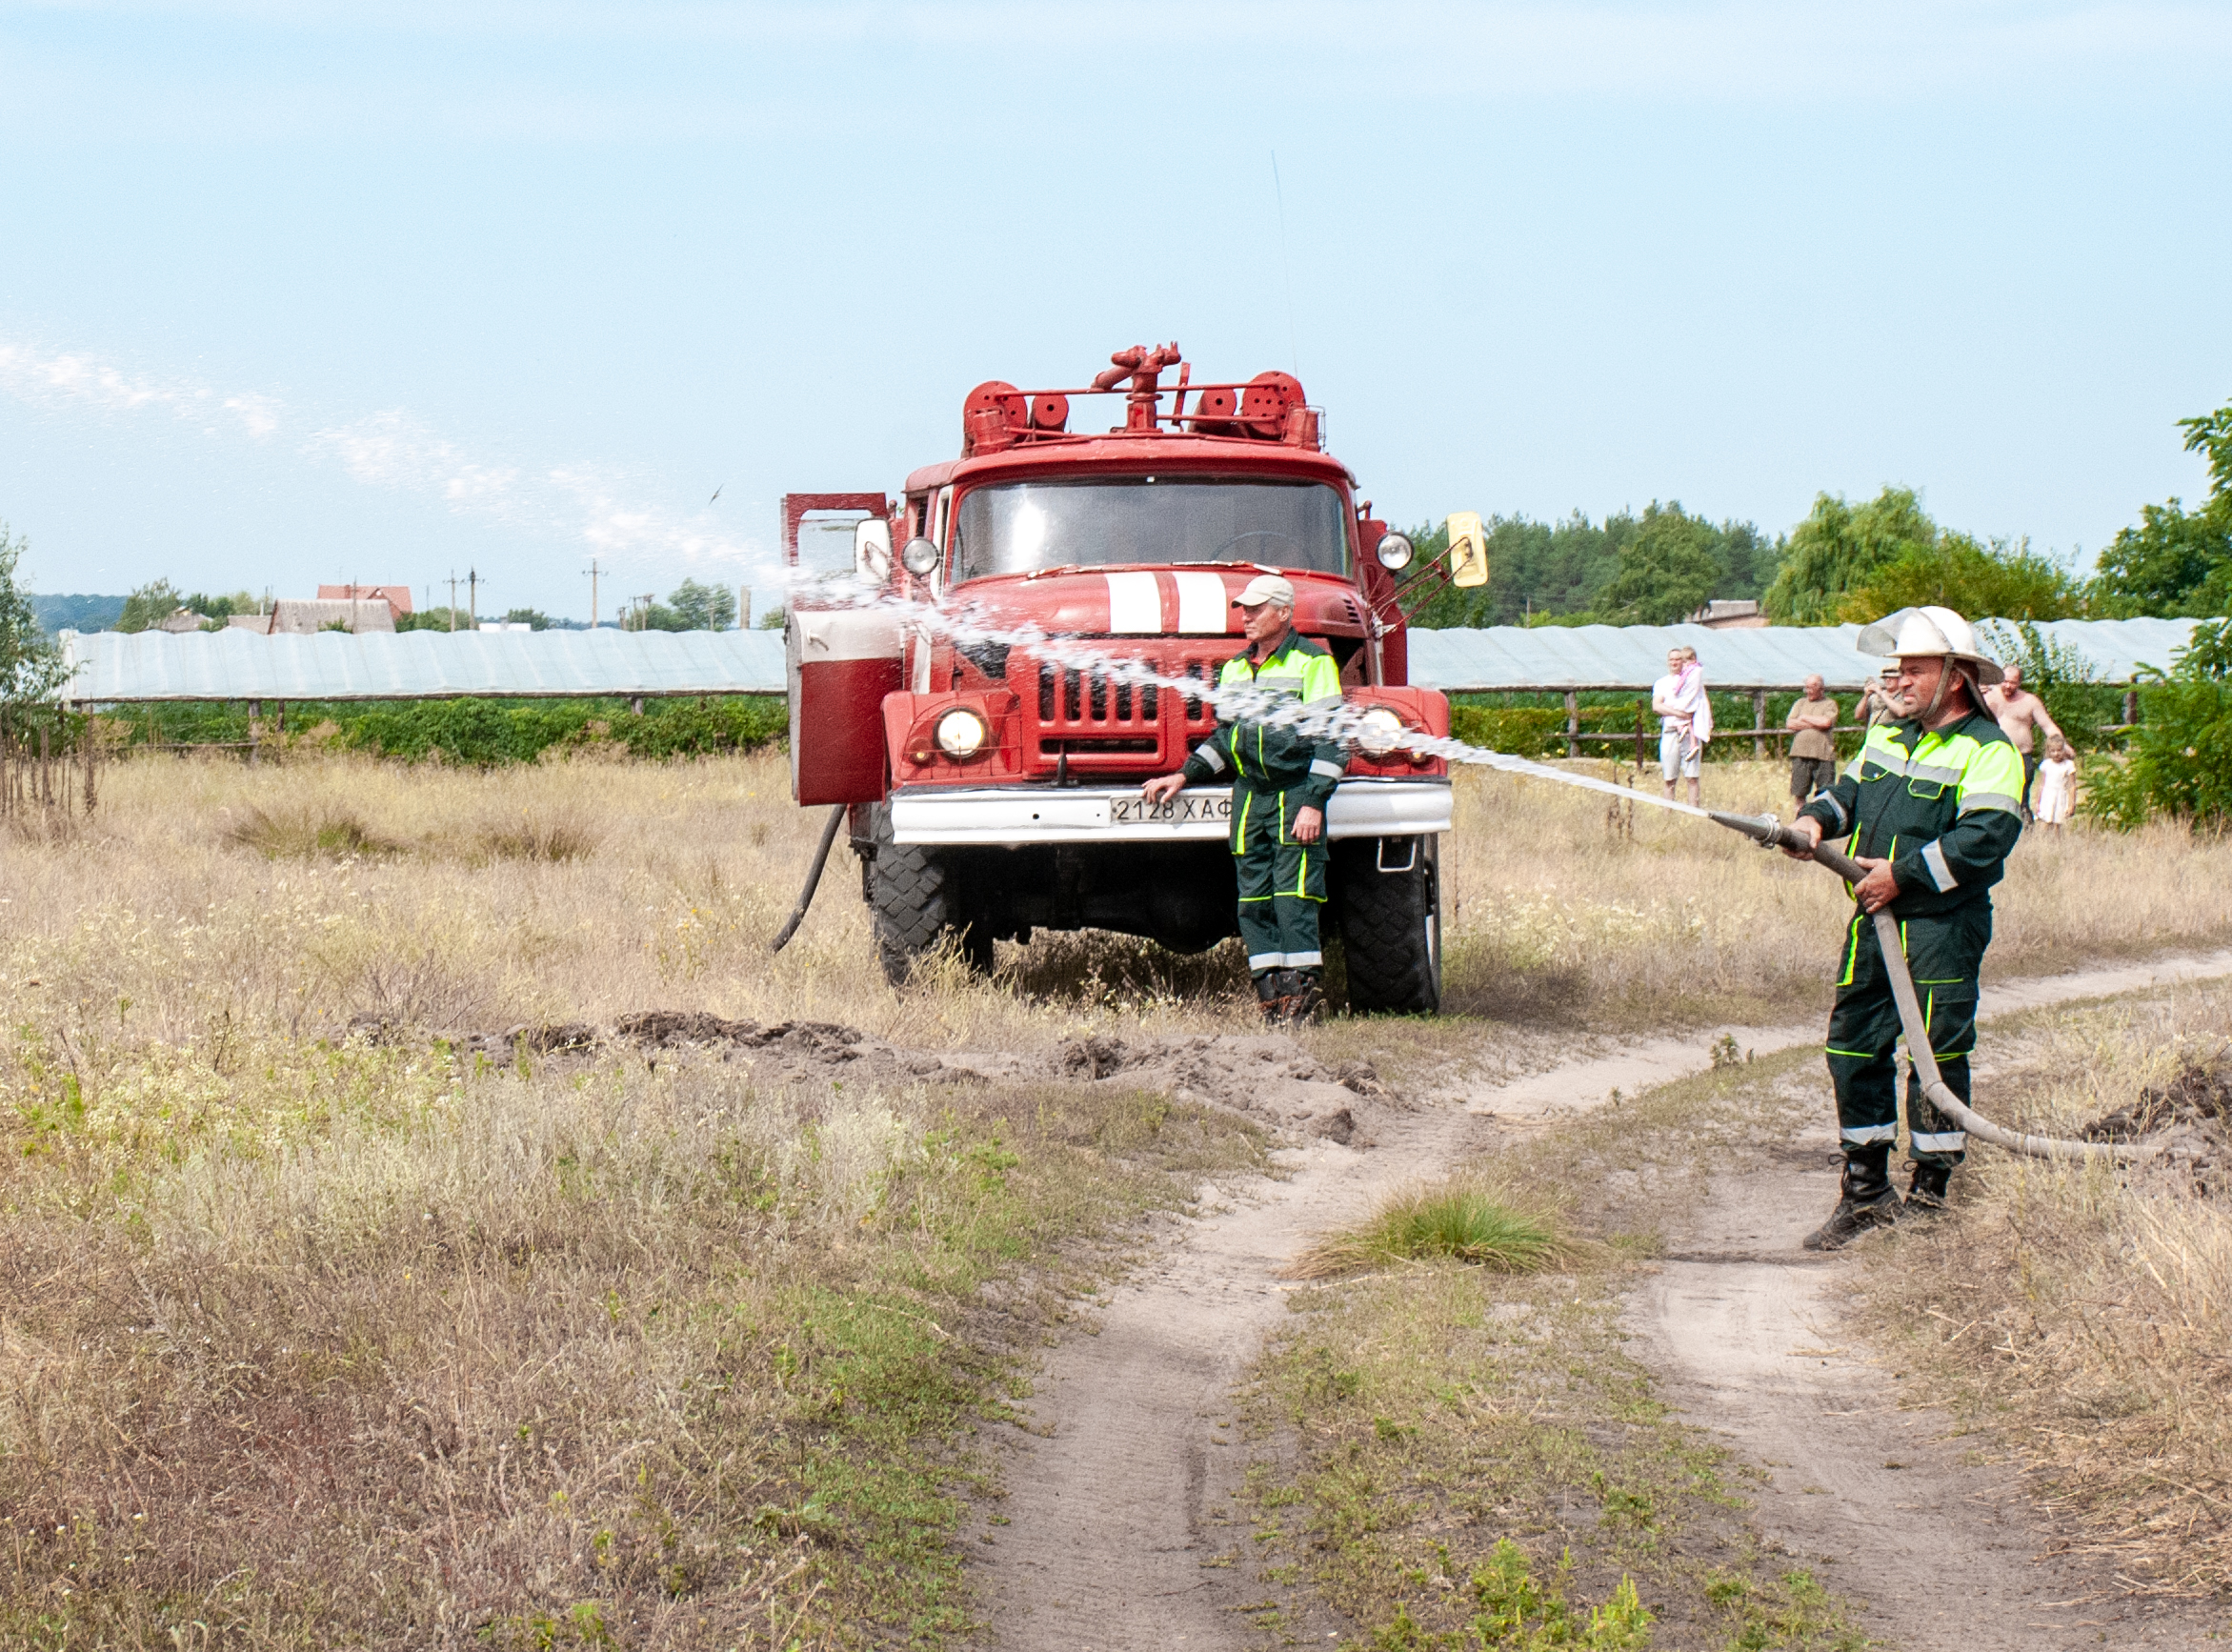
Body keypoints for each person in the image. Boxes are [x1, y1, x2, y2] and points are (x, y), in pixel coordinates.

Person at [1779, 605, 2027, 1251]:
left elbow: (1983, 840)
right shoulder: (1887, 733)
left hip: (1941, 925)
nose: (1897, 681)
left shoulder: (1989, 750)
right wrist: (1811, 823)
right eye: (1894, 670)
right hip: (1873, 919)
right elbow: (1849, 795)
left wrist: (1903, 875)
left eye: (1911, 669)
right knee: (1852, 1045)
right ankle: (1864, 1194)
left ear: (1952, 676)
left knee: (1934, 1051)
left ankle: (1929, 1197)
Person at [1142, 574, 1344, 1023]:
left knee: (1293, 896)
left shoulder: (1313, 664)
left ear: (1284, 613)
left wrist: (1313, 801)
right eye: (1244, 609)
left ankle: (1303, 997)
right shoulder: (1235, 668)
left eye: (1256, 609)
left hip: (1294, 794)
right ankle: (1271, 999)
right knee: (1252, 901)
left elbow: (1333, 741)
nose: (1246, 616)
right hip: (1250, 797)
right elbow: (1227, 737)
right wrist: (1184, 775)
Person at [1983, 664, 2064, 819]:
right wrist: (1974, 689)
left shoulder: (2030, 701)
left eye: (2012, 682)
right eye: (2004, 681)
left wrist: (2063, 745)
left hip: (2021, 756)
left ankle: (2027, 835)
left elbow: (2047, 725)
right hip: (1993, 756)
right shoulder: (1987, 696)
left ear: (2019, 683)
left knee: (2021, 798)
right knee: (1992, 796)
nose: (2007, 685)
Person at [1651, 646, 1712, 807]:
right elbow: (1657, 706)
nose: (1675, 662)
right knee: (1669, 778)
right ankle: (1668, 814)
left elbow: (1699, 703)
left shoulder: (1691, 680)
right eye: (1672, 659)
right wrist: (1680, 714)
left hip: (1689, 732)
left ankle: (1694, 813)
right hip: (1671, 732)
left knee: (1692, 777)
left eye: (1678, 659)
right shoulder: (1662, 683)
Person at [1784, 674, 1840, 811]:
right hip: (1800, 753)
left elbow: (1826, 722)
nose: (1808, 691)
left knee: (1825, 792)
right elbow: (1790, 723)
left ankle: (1821, 820)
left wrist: (1804, 718)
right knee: (1799, 793)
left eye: (1812, 688)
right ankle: (1799, 821)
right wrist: (1815, 723)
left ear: (1821, 688)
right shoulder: (1800, 703)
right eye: (1806, 688)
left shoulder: (1829, 704)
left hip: (1823, 755)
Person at [2033, 734, 2078, 829]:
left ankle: (2057, 843)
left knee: (2057, 824)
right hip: (2047, 797)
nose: (2056, 753)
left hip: (2060, 797)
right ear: (2048, 751)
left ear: (2064, 750)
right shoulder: (2046, 764)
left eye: (2059, 750)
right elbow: (2041, 784)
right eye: (2053, 751)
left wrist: (2071, 805)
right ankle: (2043, 843)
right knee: (2044, 823)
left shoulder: (2068, 765)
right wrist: (2037, 803)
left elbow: (2072, 786)